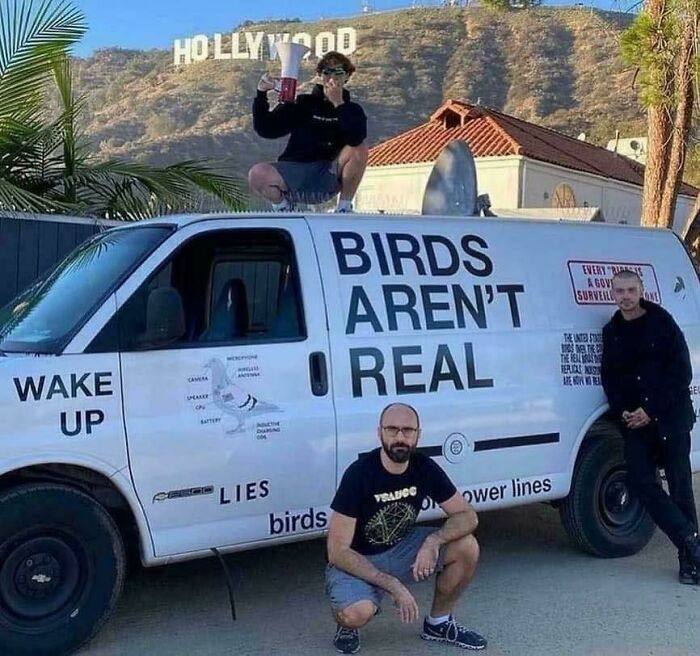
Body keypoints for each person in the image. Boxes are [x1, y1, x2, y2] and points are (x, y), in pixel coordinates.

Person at [325, 402, 486, 654]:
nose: (400, 437)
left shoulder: (424, 467)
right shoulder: (359, 474)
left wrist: (434, 541)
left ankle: (439, 623)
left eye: (407, 430)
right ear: (380, 432)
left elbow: (467, 516)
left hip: (401, 549)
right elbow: (337, 551)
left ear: (418, 435)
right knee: (356, 614)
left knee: (466, 545)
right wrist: (392, 585)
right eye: (392, 429)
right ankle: (347, 623)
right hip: (358, 559)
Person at [601, 269, 700, 584]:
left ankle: (690, 564)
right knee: (642, 482)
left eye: (631, 290)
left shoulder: (662, 323)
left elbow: (681, 373)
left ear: (641, 290)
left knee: (681, 487)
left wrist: (651, 410)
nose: (626, 296)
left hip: (670, 417)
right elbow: (609, 379)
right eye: (620, 291)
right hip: (635, 423)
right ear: (612, 294)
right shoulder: (612, 331)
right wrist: (625, 412)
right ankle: (691, 540)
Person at [249, 51, 368, 213]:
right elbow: (266, 130)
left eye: (338, 72)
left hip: (328, 174)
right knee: (257, 173)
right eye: (327, 72)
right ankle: (283, 206)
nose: (332, 77)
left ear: (347, 76)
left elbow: (355, 139)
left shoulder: (353, 110)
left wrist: (339, 103)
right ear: (320, 75)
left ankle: (344, 207)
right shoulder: (304, 103)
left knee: (359, 148)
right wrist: (261, 94)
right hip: (294, 170)